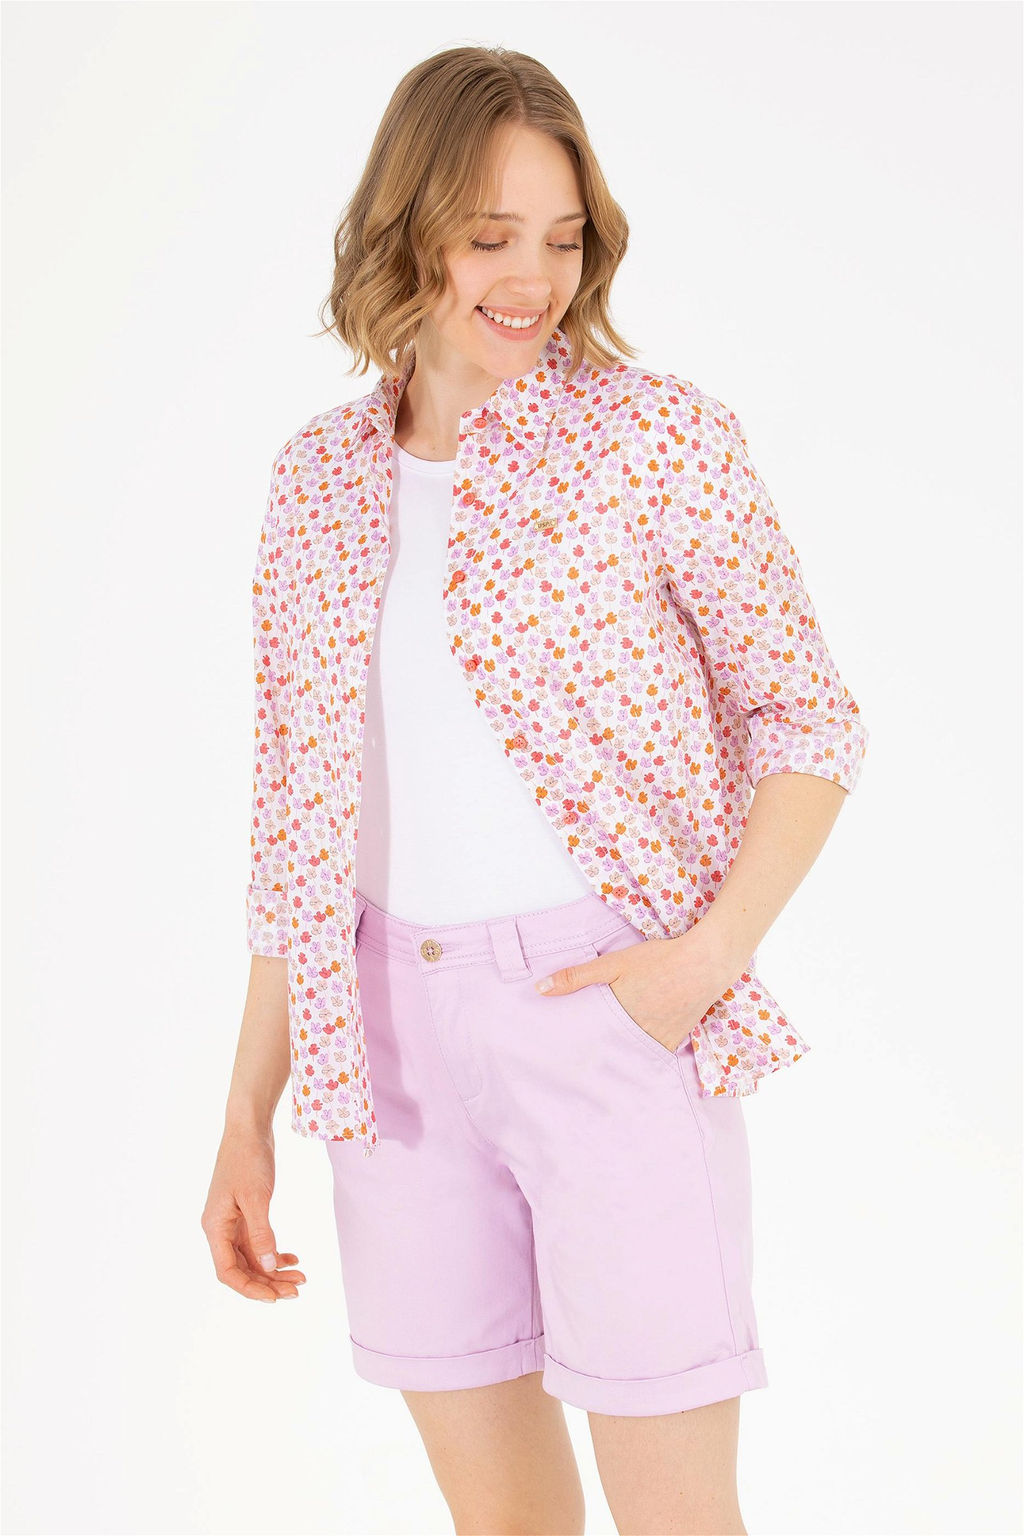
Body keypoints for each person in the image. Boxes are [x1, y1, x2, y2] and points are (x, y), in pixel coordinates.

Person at [202, 44, 869, 1536]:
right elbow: (293, 831)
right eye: (489, 235)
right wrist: (248, 1113)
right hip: (385, 1048)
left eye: (563, 239)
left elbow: (810, 722)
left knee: (676, 1519)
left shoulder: (658, 438)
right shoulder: (315, 481)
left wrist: (697, 967)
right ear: (406, 230)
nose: (533, 279)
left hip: (608, 1014)